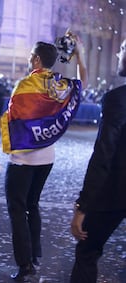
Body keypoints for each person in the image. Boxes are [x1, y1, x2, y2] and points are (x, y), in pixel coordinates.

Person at [0, 38, 87, 281]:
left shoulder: (26, 85)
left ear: (37, 59)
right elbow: (82, 83)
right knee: (33, 205)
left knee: (17, 210)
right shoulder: (60, 85)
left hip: (23, 161)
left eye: (30, 56)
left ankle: (25, 264)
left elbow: (10, 121)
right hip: (47, 158)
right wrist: (80, 55)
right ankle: (34, 255)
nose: (28, 59)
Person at [70, 39, 126, 283]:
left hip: (115, 192)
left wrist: (83, 206)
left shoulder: (118, 99)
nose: (118, 55)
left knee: (87, 251)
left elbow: (104, 154)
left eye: (122, 49)